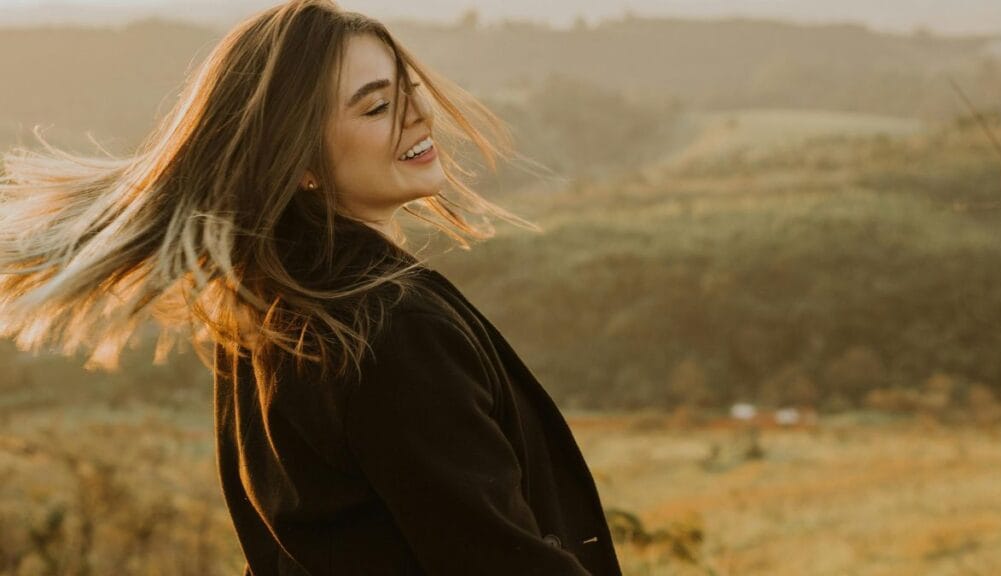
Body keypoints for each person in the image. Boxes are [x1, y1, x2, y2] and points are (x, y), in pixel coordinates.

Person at [0, 1, 623, 574]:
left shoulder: (275, 312)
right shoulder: (387, 329)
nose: (419, 113)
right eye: (377, 106)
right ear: (298, 162)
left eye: (410, 90)